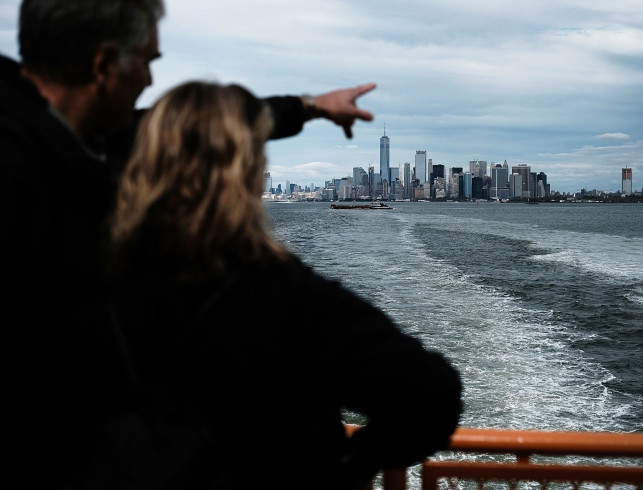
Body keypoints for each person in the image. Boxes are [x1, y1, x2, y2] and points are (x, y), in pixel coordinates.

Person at [0, 0, 375, 487]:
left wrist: (309, 106)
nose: (151, 80)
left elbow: (208, 123)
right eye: (148, 61)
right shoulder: (18, 172)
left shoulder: (79, 138)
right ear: (103, 65)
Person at [104, 80, 463, 488]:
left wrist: (305, 107)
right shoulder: (291, 300)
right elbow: (433, 395)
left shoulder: (84, 281)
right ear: (254, 176)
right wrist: (353, 464)